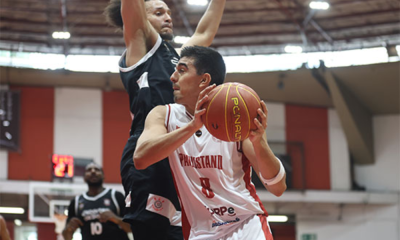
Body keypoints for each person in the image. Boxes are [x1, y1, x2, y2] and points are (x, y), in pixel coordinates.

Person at [133, 46, 287, 240]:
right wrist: (192, 126)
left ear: (204, 80)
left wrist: (258, 141)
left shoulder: (236, 118)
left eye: (181, 70)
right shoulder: (164, 115)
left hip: (246, 226)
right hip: (201, 232)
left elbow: (278, 187)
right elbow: (140, 158)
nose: (172, 77)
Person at [104, 0, 226, 239]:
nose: (168, 17)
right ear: (142, 18)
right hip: (150, 148)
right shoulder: (140, 47)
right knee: (153, 231)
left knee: (181, 232)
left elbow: (204, 32)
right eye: (159, 13)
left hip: (181, 151)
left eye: (169, 13)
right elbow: (132, 9)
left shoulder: (180, 58)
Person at [62, 163, 131, 240]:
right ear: (84, 178)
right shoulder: (76, 202)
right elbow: (66, 235)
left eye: (97, 169)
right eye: (89, 170)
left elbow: (131, 228)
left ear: (103, 176)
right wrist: (68, 229)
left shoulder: (116, 196)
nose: (93, 171)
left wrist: (116, 219)